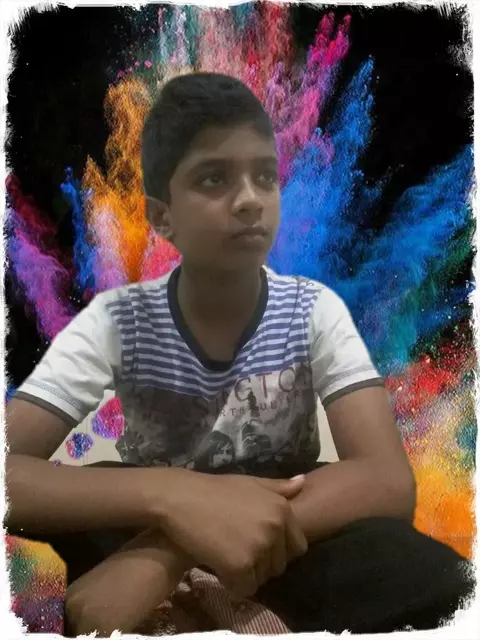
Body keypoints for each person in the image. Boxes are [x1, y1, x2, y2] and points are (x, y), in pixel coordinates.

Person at [5, 72, 473, 636]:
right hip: (148, 518)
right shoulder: (117, 321)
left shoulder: (312, 310)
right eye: (214, 178)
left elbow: (386, 478)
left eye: (264, 176)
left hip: (289, 531)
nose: (250, 199)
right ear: (162, 216)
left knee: (425, 569)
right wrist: (172, 499)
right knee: (83, 511)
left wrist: (179, 546)